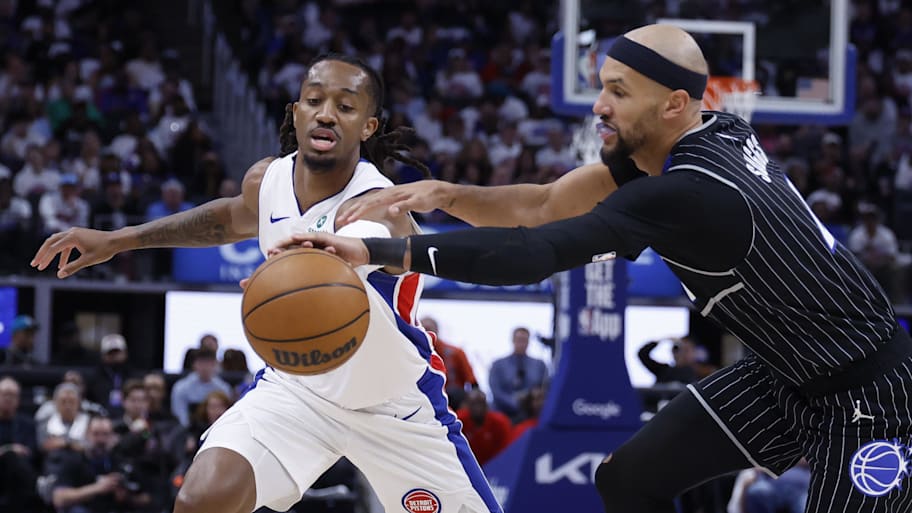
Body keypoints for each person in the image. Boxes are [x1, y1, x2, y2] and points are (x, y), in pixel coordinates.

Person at [282, 25, 912, 513]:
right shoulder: (708, 132)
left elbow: (535, 253)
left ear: (673, 104)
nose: (599, 107)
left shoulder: (685, 193)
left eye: (618, 92)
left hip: (868, 393)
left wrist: (380, 253)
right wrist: (446, 194)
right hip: (782, 373)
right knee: (628, 479)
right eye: (603, 85)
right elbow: (545, 204)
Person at [31, 54, 502, 513]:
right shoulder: (268, 180)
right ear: (295, 113)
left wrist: (302, 265)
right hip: (297, 391)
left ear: (368, 127)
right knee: (203, 499)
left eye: (345, 106)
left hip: (394, 405)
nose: (326, 114)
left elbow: (366, 243)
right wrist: (120, 239)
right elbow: (226, 219)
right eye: (314, 100)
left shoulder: (381, 204)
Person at [487, 327, 548, 420]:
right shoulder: (498, 365)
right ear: (513, 340)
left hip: (531, 414)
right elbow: (496, 391)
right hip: (502, 411)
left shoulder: (539, 365)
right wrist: (515, 403)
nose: (521, 343)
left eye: (524, 340)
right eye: (519, 340)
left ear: (528, 342)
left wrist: (528, 404)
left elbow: (544, 388)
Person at [420, 316, 477, 409]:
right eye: (423, 329)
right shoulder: (411, 353)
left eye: (429, 329)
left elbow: (473, 382)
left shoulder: (456, 352)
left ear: (436, 331)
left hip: (453, 400)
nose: (426, 333)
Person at [170, 348, 231, 427]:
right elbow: (179, 417)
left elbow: (227, 416)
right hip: (189, 431)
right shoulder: (181, 388)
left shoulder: (224, 388)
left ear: (215, 364)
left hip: (218, 429)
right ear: (194, 364)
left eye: (208, 363)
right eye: (201, 363)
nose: (205, 367)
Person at [456, 390, 512, 466]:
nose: (477, 408)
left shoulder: (500, 423)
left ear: (487, 405)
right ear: (467, 406)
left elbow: (507, 451)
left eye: (480, 404)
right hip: (468, 466)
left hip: (495, 465)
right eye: (474, 404)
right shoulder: (459, 421)